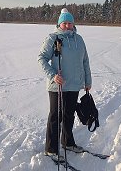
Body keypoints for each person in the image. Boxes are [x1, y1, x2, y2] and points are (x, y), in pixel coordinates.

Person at [38, 8, 92, 159]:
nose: (68, 26)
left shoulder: (79, 39)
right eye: (65, 23)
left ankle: (67, 142)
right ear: (59, 24)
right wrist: (53, 75)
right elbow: (41, 58)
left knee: (69, 115)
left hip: (75, 84)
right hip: (58, 86)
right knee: (56, 116)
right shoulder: (53, 38)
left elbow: (85, 61)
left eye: (70, 23)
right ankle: (51, 148)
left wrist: (87, 81)